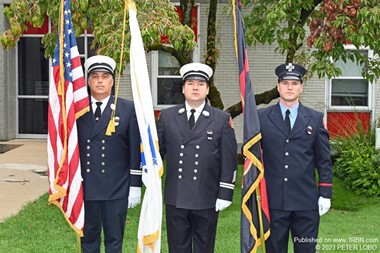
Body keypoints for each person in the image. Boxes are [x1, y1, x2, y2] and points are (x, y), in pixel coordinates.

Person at [157, 62, 238, 253]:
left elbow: (229, 159)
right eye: (191, 83)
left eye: (201, 84)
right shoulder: (167, 116)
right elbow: (158, 152)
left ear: (208, 89)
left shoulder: (220, 119)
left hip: (207, 197)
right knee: (177, 248)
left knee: (204, 247)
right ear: (183, 88)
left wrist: (225, 192)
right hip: (176, 196)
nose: (195, 87)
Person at [258, 63, 333, 253]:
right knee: (274, 249)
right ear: (278, 87)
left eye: (294, 83)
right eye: (285, 83)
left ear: (301, 87)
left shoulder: (315, 119)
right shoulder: (261, 117)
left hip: (305, 203)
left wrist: (325, 193)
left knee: (306, 249)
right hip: (274, 202)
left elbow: (323, 160)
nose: (289, 87)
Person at [77, 55, 142, 253]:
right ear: (88, 81)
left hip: (117, 188)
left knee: (114, 240)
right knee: (88, 239)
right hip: (86, 186)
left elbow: (134, 150)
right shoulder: (76, 109)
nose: (99, 81)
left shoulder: (127, 108)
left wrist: (135, 185)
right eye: (95, 76)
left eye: (105, 76)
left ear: (112, 81)